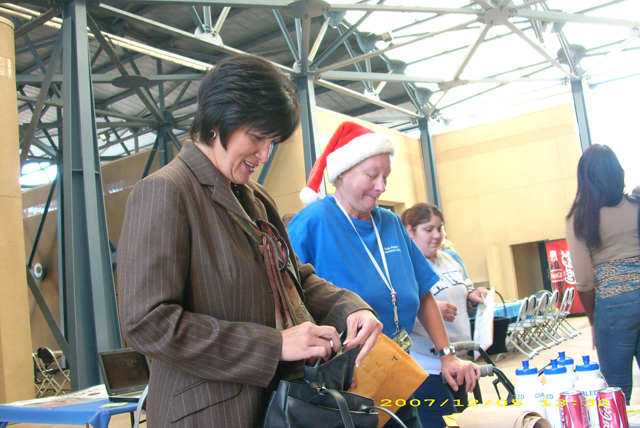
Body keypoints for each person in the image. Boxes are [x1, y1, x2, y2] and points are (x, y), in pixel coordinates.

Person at [117, 56, 382, 428]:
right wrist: (273, 346)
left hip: (278, 407)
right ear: (216, 120)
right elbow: (147, 322)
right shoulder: (165, 191)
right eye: (257, 138)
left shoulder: (255, 197)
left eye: (272, 142)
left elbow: (296, 278)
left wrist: (350, 308)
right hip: (208, 416)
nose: (263, 155)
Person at [287, 121, 481, 428]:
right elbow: (287, 299)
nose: (381, 186)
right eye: (371, 175)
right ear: (341, 173)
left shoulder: (389, 223)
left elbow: (422, 292)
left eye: (386, 177)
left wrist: (447, 356)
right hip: (343, 390)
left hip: (397, 375)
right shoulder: (313, 223)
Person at [400, 202, 488, 427]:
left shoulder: (450, 259)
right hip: (427, 366)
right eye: (428, 230)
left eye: (439, 229)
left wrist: (472, 295)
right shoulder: (405, 266)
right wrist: (429, 310)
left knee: (462, 421)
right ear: (410, 231)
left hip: (459, 362)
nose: (436, 236)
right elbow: (397, 311)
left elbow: (463, 289)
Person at [565, 144, 640, 404]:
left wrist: (594, 321)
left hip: (614, 305)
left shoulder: (580, 218)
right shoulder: (636, 205)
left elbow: (585, 281)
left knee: (616, 392)